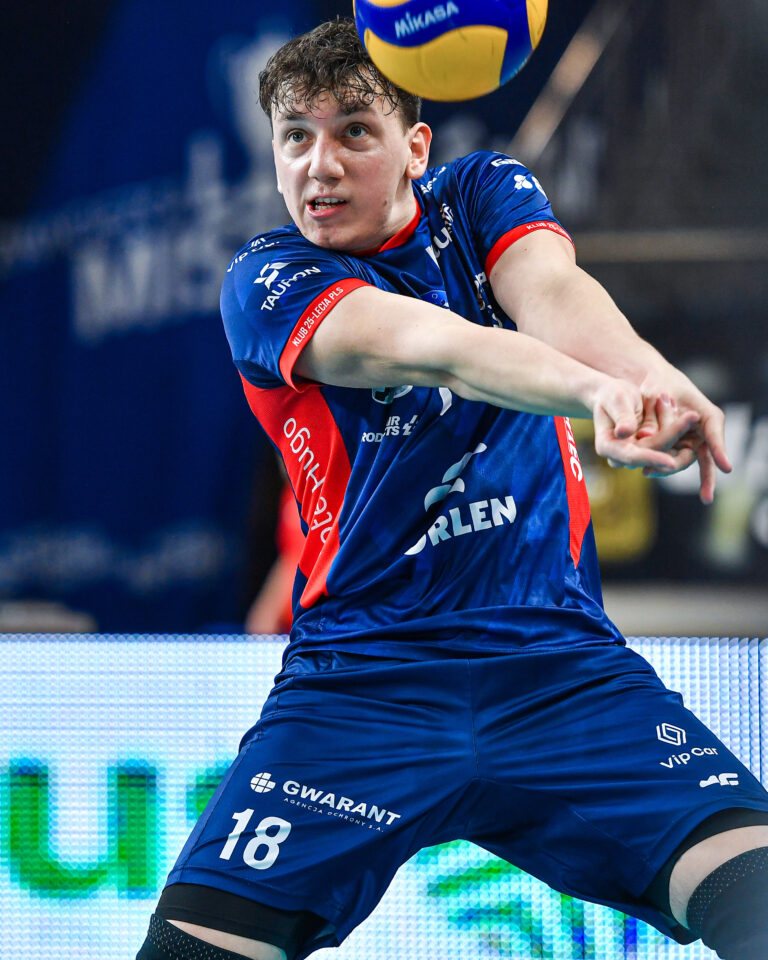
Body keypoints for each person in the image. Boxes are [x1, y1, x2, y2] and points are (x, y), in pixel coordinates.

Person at [136, 18, 768, 960]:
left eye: (355, 131)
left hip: (559, 669)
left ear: (416, 148)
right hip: (363, 684)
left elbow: (551, 291)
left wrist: (645, 374)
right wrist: (595, 394)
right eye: (295, 137)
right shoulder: (267, 281)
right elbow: (441, 351)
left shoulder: (478, 194)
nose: (319, 165)